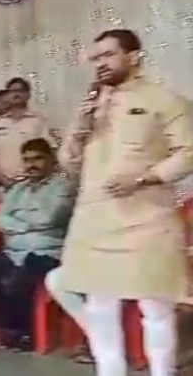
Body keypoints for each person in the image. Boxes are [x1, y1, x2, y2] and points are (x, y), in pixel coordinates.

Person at [47, 29, 193, 376]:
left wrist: (143, 178)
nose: (100, 64)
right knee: (100, 306)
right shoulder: (91, 107)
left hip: (148, 220)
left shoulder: (165, 100)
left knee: (155, 308)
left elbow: (188, 152)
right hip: (96, 220)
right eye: (96, 58)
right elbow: (68, 164)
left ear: (133, 56)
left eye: (108, 55)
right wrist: (80, 127)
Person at [0, 138, 74, 351]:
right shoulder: (16, 189)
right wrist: (27, 224)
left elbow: (49, 218)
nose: (31, 164)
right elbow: (0, 219)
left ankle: (23, 333)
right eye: (26, 160)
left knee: (20, 278)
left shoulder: (64, 187)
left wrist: (16, 220)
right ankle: (4, 326)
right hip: (13, 253)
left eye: (37, 159)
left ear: (51, 160)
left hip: (47, 254)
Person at [0, 78, 54, 189]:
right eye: (12, 91)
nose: (16, 94)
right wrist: (1, 178)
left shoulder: (38, 122)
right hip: (6, 185)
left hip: (33, 184)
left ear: (28, 95)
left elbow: (51, 151)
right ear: (7, 95)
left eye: (20, 91)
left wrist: (41, 177)